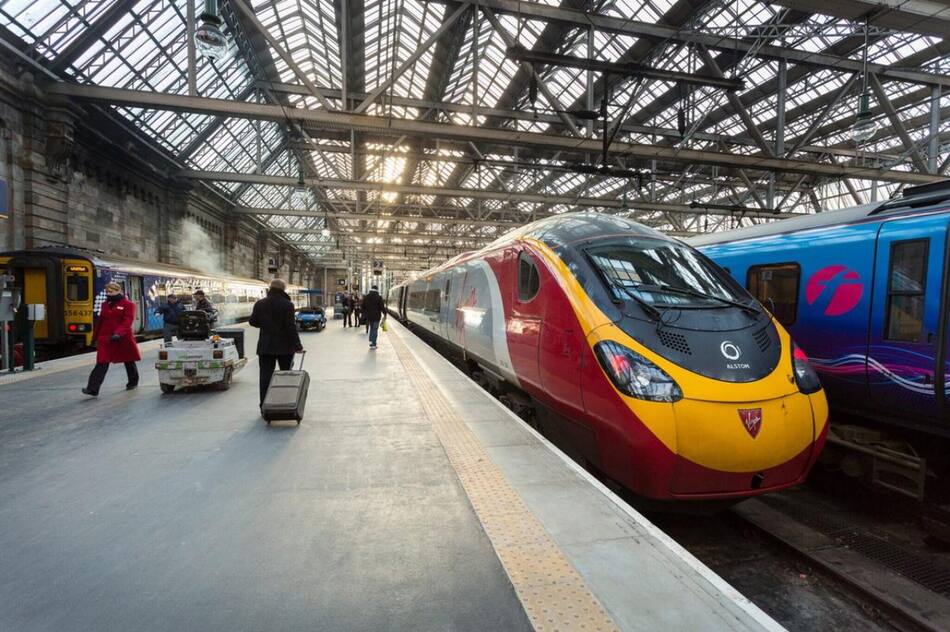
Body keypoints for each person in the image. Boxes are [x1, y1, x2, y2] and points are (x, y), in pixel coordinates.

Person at [249, 278, 304, 409]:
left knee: (265, 377)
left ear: (270, 288)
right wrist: (298, 346)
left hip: (265, 346)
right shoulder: (287, 305)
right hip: (285, 347)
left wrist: (265, 325)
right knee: (285, 376)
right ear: (283, 289)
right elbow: (291, 327)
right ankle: (284, 404)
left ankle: (264, 406)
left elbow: (253, 322)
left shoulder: (260, 303)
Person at [82, 282, 141, 396]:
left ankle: (133, 381)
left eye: (111, 291)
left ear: (119, 291)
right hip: (106, 338)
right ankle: (92, 389)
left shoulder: (129, 305)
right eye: (107, 292)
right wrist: (95, 337)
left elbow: (127, 321)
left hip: (123, 337)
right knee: (101, 362)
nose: (109, 294)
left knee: (128, 360)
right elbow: (100, 321)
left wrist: (118, 333)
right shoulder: (105, 304)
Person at [362, 285, 386, 350]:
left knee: (371, 328)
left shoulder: (367, 297)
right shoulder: (379, 297)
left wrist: (364, 313)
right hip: (376, 316)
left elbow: (363, 306)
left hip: (369, 316)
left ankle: (371, 341)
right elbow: (382, 307)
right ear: (377, 290)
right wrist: (385, 313)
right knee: (374, 330)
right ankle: (373, 344)